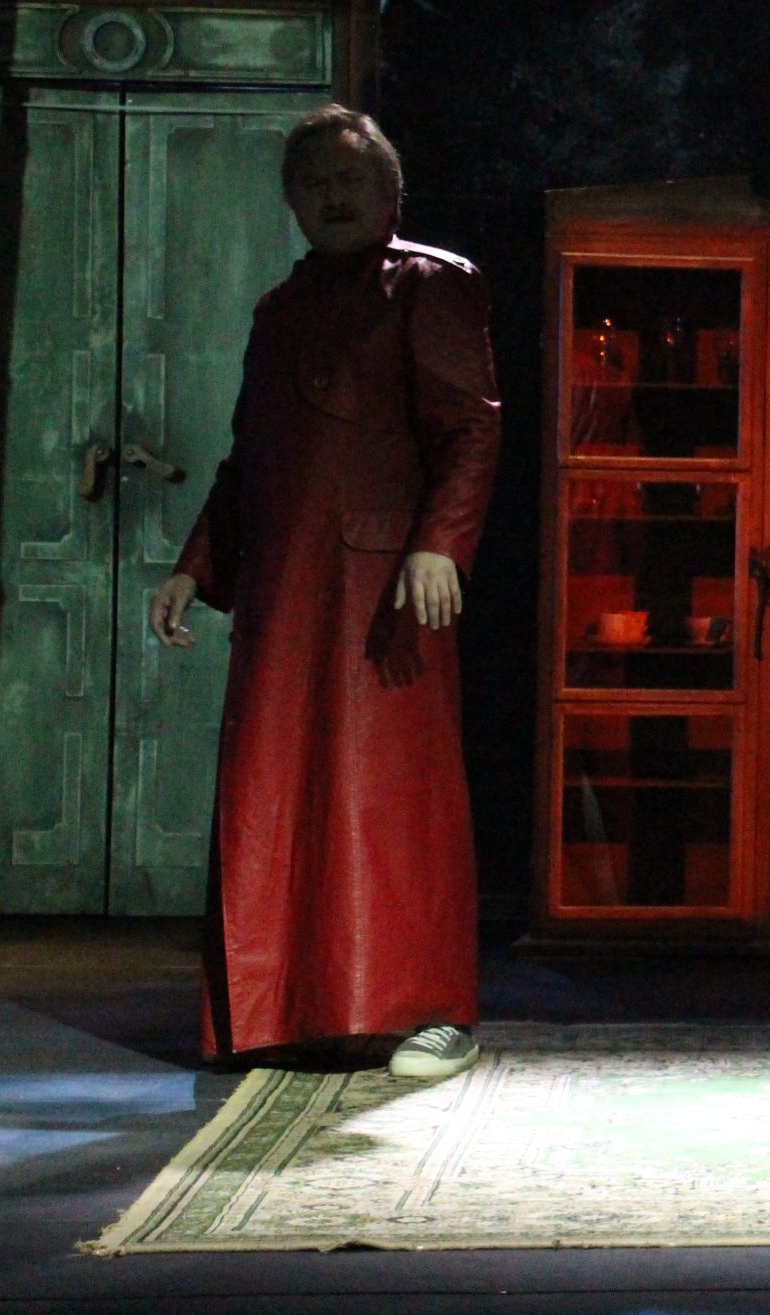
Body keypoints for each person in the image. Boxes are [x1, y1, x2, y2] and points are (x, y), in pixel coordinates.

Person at [150, 106, 501, 1080]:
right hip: (284, 591)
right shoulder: (280, 308)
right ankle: (285, 1010)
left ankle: (429, 1010)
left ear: (391, 193)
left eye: (351, 179)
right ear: (291, 202)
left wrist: (439, 546)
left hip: (384, 591)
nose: (333, 197)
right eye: (314, 183)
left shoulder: (430, 283)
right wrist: (194, 566)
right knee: (276, 791)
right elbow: (248, 459)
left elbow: (471, 427)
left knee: (391, 795)